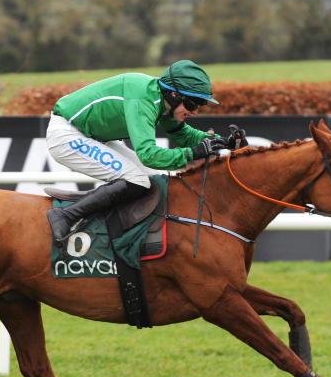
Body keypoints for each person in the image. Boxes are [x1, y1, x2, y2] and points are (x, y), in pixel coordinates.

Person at [45, 59, 248, 241]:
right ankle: (66, 215)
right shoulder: (144, 100)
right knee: (137, 180)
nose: (195, 111)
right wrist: (194, 153)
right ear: (174, 94)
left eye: (200, 104)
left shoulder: (164, 100)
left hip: (90, 136)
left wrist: (223, 142)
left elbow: (183, 135)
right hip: (67, 135)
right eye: (192, 103)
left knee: (155, 180)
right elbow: (149, 155)